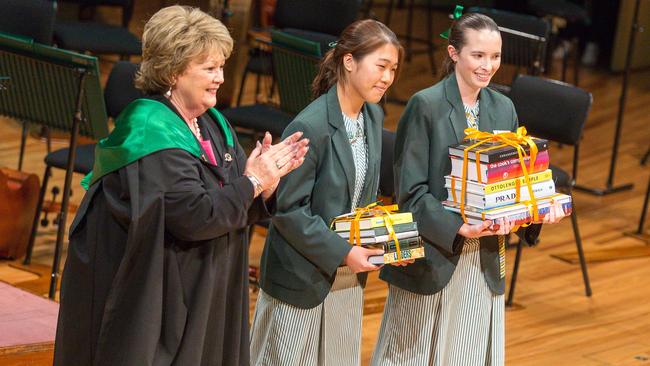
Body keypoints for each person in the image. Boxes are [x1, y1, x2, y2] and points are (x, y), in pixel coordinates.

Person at [53, 6, 309, 365]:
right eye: (209, 68)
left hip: (208, 284)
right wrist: (253, 181)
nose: (220, 77)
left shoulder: (214, 124)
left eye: (221, 66)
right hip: (160, 295)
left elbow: (233, 199)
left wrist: (266, 185)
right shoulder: (150, 131)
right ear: (174, 71)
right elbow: (194, 216)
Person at [371, 13, 567, 365]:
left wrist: (531, 212)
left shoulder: (503, 107)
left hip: (484, 258)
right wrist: (459, 226)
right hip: (435, 254)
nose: (488, 66)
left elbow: (511, 182)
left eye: (495, 56)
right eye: (478, 55)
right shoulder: (425, 105)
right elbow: (410, 194)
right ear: (453, 53)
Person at [249, 19, 403, 365]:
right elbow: (289, 211)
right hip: (300, 278)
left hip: (345, 277)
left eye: (393, 69)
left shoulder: (373, 116)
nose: (387, 78)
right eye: (381, 66)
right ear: (349, 61)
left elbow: (362, 198)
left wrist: (390, 241)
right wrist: (344, 251)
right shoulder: (310, 125)